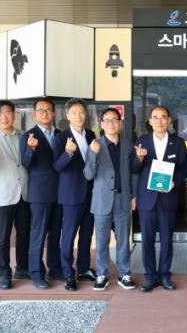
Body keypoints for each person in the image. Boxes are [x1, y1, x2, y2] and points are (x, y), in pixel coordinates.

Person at [133, 106, 187, 292]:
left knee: (166, 239)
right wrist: (139, 159)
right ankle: (150, 277)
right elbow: (133, 168)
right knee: (147, 240)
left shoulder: (178, 143)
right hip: (147, 199)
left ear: (169, 120)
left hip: (168, 198)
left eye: (163, 117)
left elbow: (184, 169)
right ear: (150, 121)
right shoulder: (141, 141)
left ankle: (165, 275)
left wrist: (175, 181)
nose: (159, 121)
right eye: (155, 117)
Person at [84, 108, 139, 291]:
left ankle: (125, 274)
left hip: (123, 199)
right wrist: (93, 153)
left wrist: (133, 196)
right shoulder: (95, 145)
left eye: (114, 120)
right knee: (102, 241)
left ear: (120, 123)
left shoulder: (127, 145)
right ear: (101, 124)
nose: (111, 123)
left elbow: (133, 173)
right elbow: (88, 175)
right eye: (107, 120)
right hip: (101, 200)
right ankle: (102, 274)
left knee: (123, 240)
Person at [0, 100, 30, 290]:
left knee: (24, 234)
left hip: (24, 193)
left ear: (13, 115)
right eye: (0, 114)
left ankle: (22, 268)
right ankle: (4, 273)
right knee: (2, 237)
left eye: (8, 113)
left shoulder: (23, 136)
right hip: (3, 195)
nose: (4, 117)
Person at [53, 98, 97, 291]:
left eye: (81, 112)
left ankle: (84, 268)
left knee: (87, 233)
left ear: (85, 114)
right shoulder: (60, 138)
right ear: (67, 115)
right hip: (71, 195)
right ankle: (68, 273)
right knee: (69, 235)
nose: (78, 116)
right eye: (74, 113)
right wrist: (68, 153)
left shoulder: (91, 135)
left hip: (91, 193)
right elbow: (57, 166)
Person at [20, 97, 62, 289]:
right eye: (41, 111)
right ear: (34, 114)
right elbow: (26, 163)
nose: (45, 114)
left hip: (60, 192)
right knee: (38, 234)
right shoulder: (28, 136)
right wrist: (31, 149)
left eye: (48, 110)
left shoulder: (61, 135)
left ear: (53, 113)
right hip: (40, 193)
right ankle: (36, 273)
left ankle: (55, 269)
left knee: (55, 234)